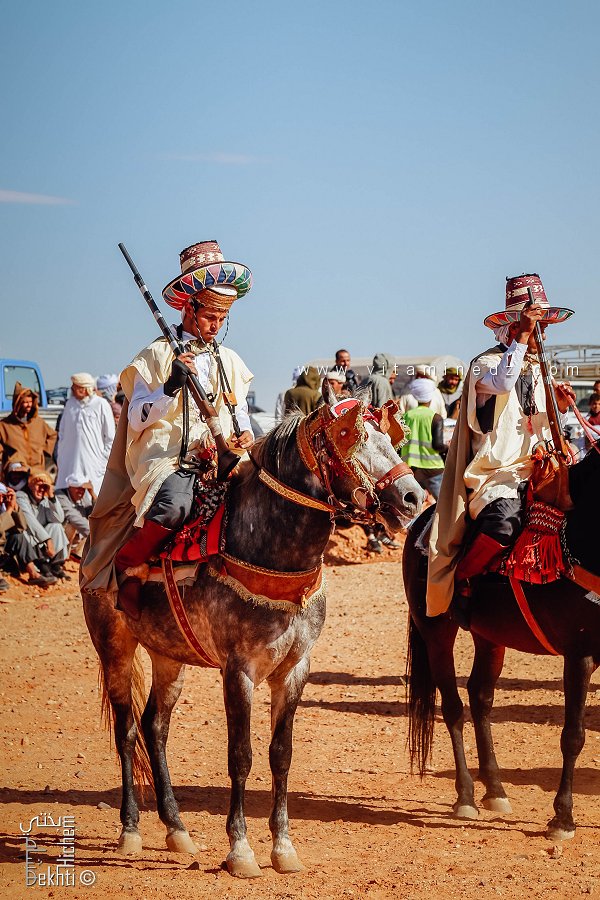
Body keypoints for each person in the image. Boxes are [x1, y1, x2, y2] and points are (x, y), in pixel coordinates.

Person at [114, 239, 255, 617]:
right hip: (170, 460)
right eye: (211, 316)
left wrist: (245, 436)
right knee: (176, 506)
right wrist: (170, 387)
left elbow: (239, 412)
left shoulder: (230, 359)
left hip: (224, 456)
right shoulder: (157, 354)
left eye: (222, 319)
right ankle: (129, 565)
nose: (216, 326)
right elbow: (136, 418)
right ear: (189, 307)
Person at [427, 273, 575, 620]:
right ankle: (464, 578)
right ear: (513, 329)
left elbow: (537, 418)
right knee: (504, 522)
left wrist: (560, 403)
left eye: (542, 327)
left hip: (539, 467)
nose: (544, 334)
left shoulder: (540, 369)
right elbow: (504, 382)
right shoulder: (486, 364)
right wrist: (522, 336)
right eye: (538, 327)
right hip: (496, 475)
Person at [56, 373, 116, 496]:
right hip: (69, 464)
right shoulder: (70, 405)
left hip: (94, 464)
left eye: (76, 386)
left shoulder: (101, 404)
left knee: (92, 497)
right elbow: (61, 433)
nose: (72, 389)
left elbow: (110, 438)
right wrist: (61, 457)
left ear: (85, 389)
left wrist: (102, 462)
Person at [16, 471, 70, 583]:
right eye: (38, 485)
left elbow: (59, 518)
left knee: (56, 526)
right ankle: (43, 566)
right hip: (29, 538)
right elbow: (30, 522)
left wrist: (51, 496)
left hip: (41, 540)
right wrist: (48, 539)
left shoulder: (45, 500)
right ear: (30, 485)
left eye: (44, 486)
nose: (41, 489)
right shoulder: (21, 497)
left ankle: (55, 566)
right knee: (28, 533)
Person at [401, 377, 448, 500]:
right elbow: (438, 445)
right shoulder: (435, 418)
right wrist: (448, 447)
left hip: (412, 470)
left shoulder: (406, 416)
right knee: (443, 503)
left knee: (412, 506)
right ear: (431, 397)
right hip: (433, 468)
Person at [0, 382, 57, 476]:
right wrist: (9, 458)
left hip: (37, 470)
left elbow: (53, 435)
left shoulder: (38, 423)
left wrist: (43, 452)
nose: (29, 405)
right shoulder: (5, 425)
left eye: (30, 402)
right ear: (18, 404)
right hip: (17, 473)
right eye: (25, 402)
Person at [56, 474, 95, 560]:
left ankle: (77, 555)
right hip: (61, 537)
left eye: (83, 489)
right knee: (72, 526)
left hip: (79, 537)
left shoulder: (83, 497)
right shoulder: (60, 496)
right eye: (78, 488)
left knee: (96, 525)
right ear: (70, 487)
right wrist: (96, 536)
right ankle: (63, 558)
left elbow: (95, 515)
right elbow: (73, 517)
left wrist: (93, 495)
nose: (81, 491)